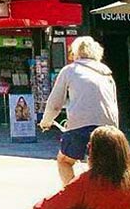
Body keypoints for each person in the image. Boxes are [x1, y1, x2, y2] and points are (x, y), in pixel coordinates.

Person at [39, 36, 119, 186]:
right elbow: (113, 104)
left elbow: (55, 104)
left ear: (76, 53)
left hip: (81, 127)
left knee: (64, 161)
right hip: (109, 129)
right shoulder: (107, 74)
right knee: (100, 165)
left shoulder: (70, 70)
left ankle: (71, 196)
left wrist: (46, 122)